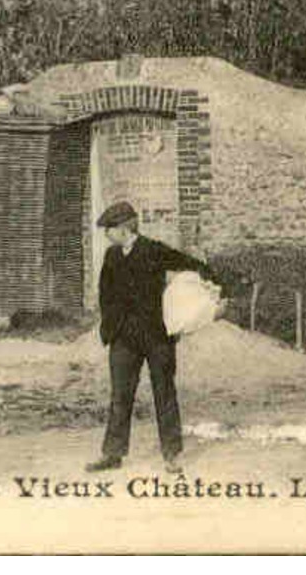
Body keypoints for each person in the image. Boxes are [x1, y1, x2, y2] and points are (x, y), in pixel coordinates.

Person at [85, 202, 216, 476]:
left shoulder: (153, 250)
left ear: (123, 228)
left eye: (109, 229)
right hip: (123, 339)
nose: (106, 234)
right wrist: (110, 328)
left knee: (164, 393)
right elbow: (104, 294)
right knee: (120, 396)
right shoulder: (111, 256)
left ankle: (171, 455)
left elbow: (190, 264)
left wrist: (209, 285)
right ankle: (112, 453)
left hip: (157, 337)